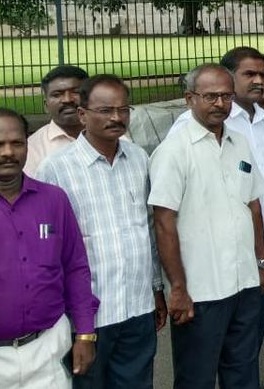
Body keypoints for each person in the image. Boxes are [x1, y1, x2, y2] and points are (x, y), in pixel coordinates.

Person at [35, 76, 166, 389]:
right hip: (87, 315)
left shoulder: (138, 159)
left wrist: (157, 288)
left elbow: (147, 227)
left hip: (136, 306)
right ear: (82, 115)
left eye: (123, 110)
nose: (117, 118)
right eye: (105, 110)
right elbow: (46, 246)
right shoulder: (56, 169)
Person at [149, 64, 264, 389]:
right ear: (190, 99)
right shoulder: (173, 152)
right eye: (210, 96)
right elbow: (163, 223)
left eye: (226, 96)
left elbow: (253, 204)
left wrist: (260, 263)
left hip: (244, 282)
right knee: (196, 378)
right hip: (200, 291)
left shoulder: (240, 142)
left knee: (243, 374)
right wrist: (177, 288)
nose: (220, 104)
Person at [0, 108, 99, 388]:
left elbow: (75, 267)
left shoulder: (53, 200)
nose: (7, 153)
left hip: (48, 350)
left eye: (17, 143)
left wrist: (85, 334)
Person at [25, 64, 89, 174]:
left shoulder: (112, 137)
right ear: (46, 105)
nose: (67, 99)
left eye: (75, 92)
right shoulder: (32, 148)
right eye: (57, 94)